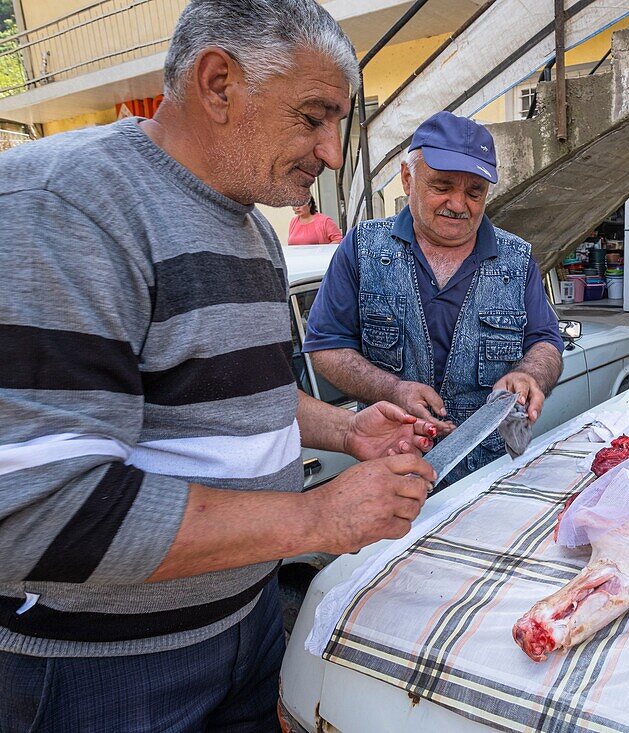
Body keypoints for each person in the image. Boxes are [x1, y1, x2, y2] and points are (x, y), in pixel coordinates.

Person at [0, 1, 437, 730]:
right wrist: (319, 515)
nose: (332, 152)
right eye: (313, 117)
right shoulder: (68, 205)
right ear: (217, 83)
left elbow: (242, 393)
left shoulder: (249, 230)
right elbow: (41, 511)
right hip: (104, 674)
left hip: (247, 627)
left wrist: (347, 430)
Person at [305, 111, 565, 484]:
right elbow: (326, 347)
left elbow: (545, 341)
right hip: (392, 463)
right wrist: (393, 389)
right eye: (442, 186)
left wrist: (529, 375)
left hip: (491, 472)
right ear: (408, 179)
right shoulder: (361, 249)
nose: (459, 204)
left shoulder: (517, 258)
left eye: (474, 192)